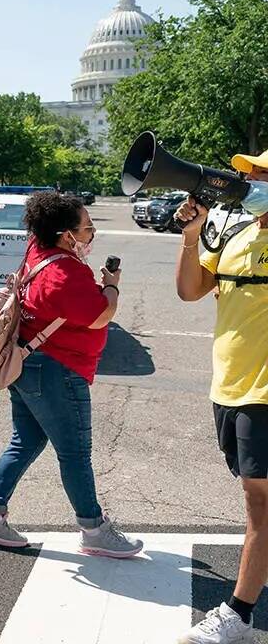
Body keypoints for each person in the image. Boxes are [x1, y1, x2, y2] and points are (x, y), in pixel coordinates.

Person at [0, 191, 142, 558]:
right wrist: (111, 284)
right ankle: (93, 528)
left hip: (29, 364)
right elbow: (100, 315)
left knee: (26, 440)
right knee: (75, 452)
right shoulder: (63, 274)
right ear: (66, 235)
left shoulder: (39, 250)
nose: (91, 236)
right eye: (88, 230)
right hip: (58, 371)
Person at [175, 148, 268, 643]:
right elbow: (191, 290)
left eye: (263, 175)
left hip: (264, 393)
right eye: (251, 175)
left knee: (260, 500)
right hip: (230, 386)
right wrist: (191, 237)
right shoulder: (238, 234)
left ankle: (240, 613)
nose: (251, 181)